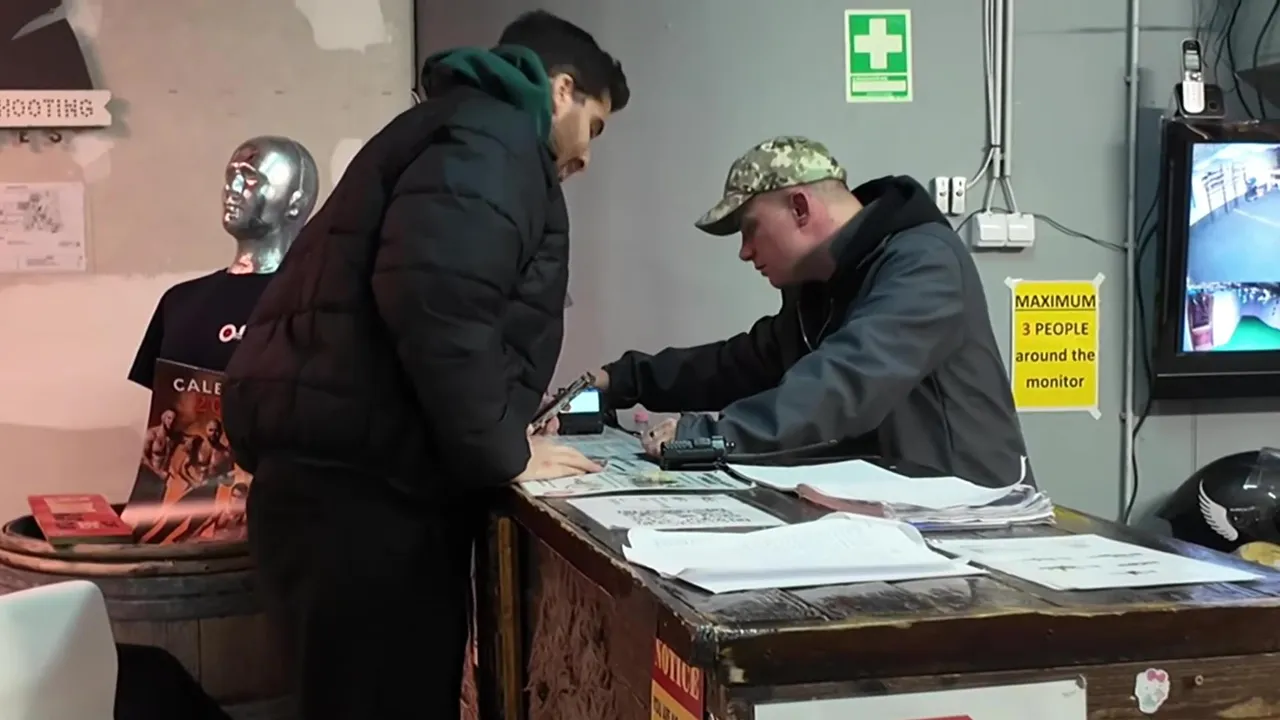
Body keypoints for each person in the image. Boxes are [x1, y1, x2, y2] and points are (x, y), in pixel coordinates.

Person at [220, 10, 627, 718]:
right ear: (561, 90)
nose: (587, 157)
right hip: (369, 505)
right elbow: (437, 296)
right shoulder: (493, 138)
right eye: (594, 127)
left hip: (343, 486)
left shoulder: (453, 128)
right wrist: (502, 450)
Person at [591, 136, 1032, 487]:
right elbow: (740, 365)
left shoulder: (924, 262)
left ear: (800, 208)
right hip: (887, 509)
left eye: (750, 229)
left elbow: (847, 380)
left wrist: (704, 437)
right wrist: (623, 379)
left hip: (972, 517)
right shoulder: (821, 288)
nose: (745, 251)